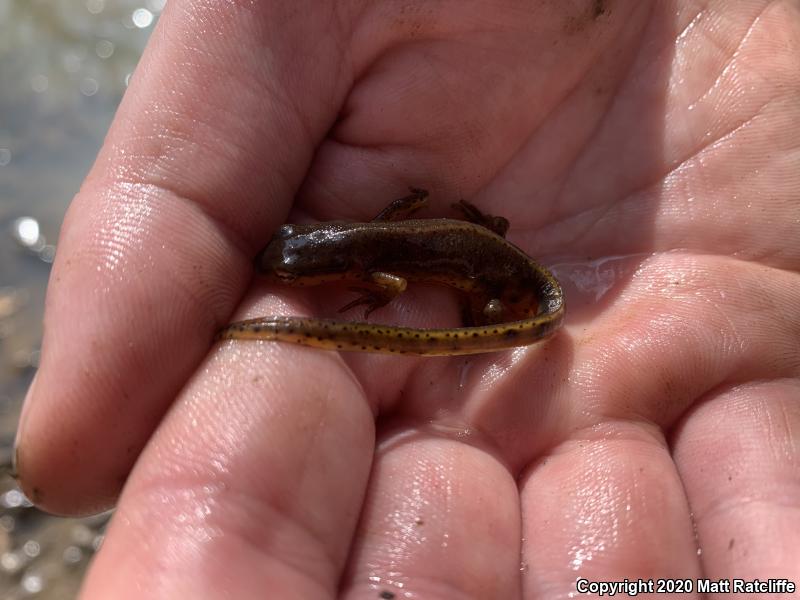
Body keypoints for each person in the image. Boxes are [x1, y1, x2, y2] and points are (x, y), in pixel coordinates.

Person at [14, 1, 800, 597]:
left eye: (294, 270)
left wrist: (414, 303)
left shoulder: (372, 262)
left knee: (486, 301)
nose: (285, 272)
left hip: (516, 286)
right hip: (486, 253)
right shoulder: (362, 238)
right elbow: (388, 248)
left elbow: (391, 280)